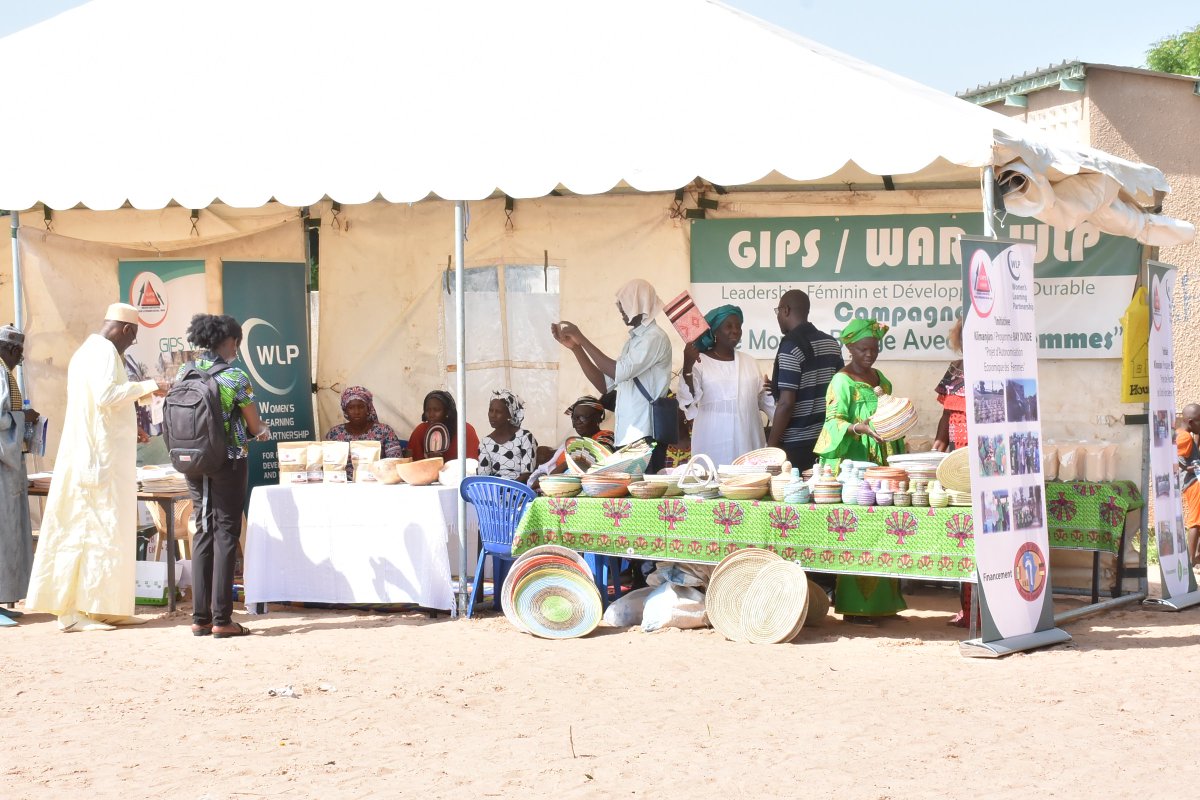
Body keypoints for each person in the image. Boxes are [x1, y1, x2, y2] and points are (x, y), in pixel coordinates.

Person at [24, 304, 162, 631]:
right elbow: (106, 394)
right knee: (90, 533)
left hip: (101, 459)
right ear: (126, 330)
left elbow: (101, 409)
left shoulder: (89, 350)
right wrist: (151, 385)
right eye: (133, 338)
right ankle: (76, 613)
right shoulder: (101, 352)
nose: (131, 344)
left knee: (107, 532)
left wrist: (132, 429)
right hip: (96, 463)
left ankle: (102, 608)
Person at [177, 314, 271, 638]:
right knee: (226, 532)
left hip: (194, 462)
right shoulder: (235, 376)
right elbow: (255, 425)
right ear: (231, 342)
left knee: (203, 529)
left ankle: (199, 617)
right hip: (228, 461)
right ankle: (222, 619)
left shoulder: (184, 372)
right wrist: (262, 431)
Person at [813, 318, 906, 624]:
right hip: (852, 466)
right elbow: (832, 421)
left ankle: (885, 604)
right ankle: (856, 606)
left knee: (884, 529)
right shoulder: (841, 381)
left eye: (874, 348)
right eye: (863, 349)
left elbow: (889, 412)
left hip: (880, 463)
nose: (869, 354)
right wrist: (859, 427)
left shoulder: (882, 378)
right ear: (850, 348)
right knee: (857, 531)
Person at [552, 278, 672, 473]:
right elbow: (604, 384)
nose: (621, 311)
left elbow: (618, 371)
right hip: (628, 436)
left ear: (639, 305)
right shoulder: (633, 341)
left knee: (643, 499)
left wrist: (582, 338)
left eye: (624, 305)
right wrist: (576, 348)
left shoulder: (654, 338)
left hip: (646, 434)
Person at [678, 304, 774, 467]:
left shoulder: (749, 362)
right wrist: (688, 366)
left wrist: (774, 392)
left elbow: (766, 402)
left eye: (738, 326)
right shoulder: (700, 362)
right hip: (713, 443)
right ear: (715, 331)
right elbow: (688, 400)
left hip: (748, 442)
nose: (735, 330)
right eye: (728, 326)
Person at [766, 290, 844, 471]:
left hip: (795, 445)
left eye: (778, 311)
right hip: (825, 442)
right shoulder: (831, 344)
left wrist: (771, 445)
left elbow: (786, 403)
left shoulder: (790, 347)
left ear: (785, 310)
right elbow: (835, 390)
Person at [0, 324, 36, 626]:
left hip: (7, 467)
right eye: (19, 354)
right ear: (10, 350)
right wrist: (24, 417)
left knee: (9, 533)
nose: (19, 359)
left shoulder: (5, 374)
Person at [527, 395, 615, 487]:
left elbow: (593, 461)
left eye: (583, 417)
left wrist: (552, 476)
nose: (577, 422)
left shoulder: (606, 437)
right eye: (574, 418)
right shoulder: (572, 443)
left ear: (597, 418)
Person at [325, 385, 404, 478]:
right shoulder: (335, 434)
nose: (356, 412)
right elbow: (327, 465)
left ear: (368, 408)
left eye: (361, 407)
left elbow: (395, 464)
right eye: (351, 408)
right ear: (345, 410)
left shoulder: (385, 431)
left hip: (376, 483)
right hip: (342, 485)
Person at [477, 389, 538, 483]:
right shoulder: (485, 442)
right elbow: (483, 476)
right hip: (494, 490)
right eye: (490, 410)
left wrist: (508, 487)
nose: (492, 415)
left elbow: (527, 474)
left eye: (498, 412)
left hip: (519, 490)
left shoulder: (525, 437)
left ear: (509, 414)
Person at [409, 390, 479, 461]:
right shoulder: (420, 430)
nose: (431, 414)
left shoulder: (465, 430)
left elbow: (473, 464)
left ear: (447, 412)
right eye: (428, 410)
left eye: (437, 410)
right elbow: (411, 462)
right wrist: (430, 461)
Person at [932, 319, 966, 453]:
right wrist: (935, 451)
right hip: (956, 452)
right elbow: (946, 415)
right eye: (964, 339)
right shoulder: (954, 369)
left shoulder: (998, 371)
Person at [1178, 404, 1200, 563]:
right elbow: (1174, 456)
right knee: (1196, 523)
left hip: (1193, 481)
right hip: (1193, 483)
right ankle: (1191, 560)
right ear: (1191, 421)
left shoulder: (1183, 434)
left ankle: (1194, 558)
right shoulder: (1184, 437)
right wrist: (1186, 467)